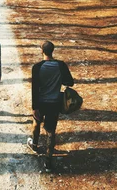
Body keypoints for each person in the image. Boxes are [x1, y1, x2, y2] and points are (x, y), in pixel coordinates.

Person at [27, 40, 74, 172]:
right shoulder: (61, 65)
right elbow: (69, 82)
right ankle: (48, 161)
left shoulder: (37, 67)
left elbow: (34, 88)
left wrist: (34, 107)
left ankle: (34, 144)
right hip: (54, 103)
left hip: (41, 102)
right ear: (52, 51)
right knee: (51, 132)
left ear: (42, 51)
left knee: (36, 123)